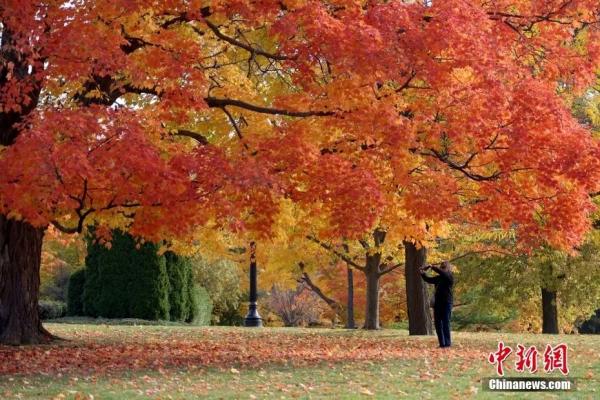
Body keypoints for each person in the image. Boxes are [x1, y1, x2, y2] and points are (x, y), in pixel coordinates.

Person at [420, 261, 454, 348]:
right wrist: (422, 274)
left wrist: (432, 267)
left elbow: (443, 273)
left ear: (448, 268)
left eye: (444, 267)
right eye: (442, 267)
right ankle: (442, 344)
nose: (442, 269)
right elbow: (429, 280)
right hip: (438, 303)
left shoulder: (449, 277)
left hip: (447, 303)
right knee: (438, 323)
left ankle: (447, 343)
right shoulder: (439, 278)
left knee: (446, 323)